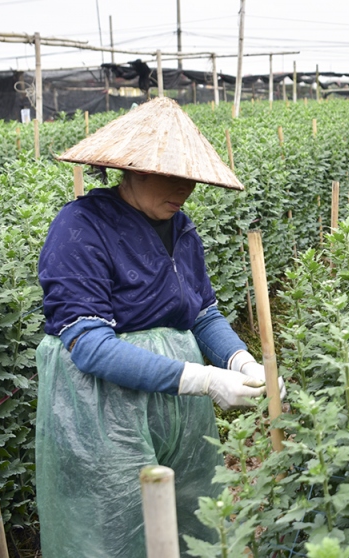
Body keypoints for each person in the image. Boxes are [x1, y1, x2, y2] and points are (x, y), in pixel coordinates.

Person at [35, 96, 283, 558]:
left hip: (180, 407)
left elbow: (202, 313)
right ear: (132, 168)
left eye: (188, 178)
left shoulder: (181, 228)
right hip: (104, 410)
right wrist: (204, 378)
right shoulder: (81, 227)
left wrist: (241, 361)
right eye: (170, 176)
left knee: (191, 515)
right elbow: (88, 346)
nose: (183, 189)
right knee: (112, 528)